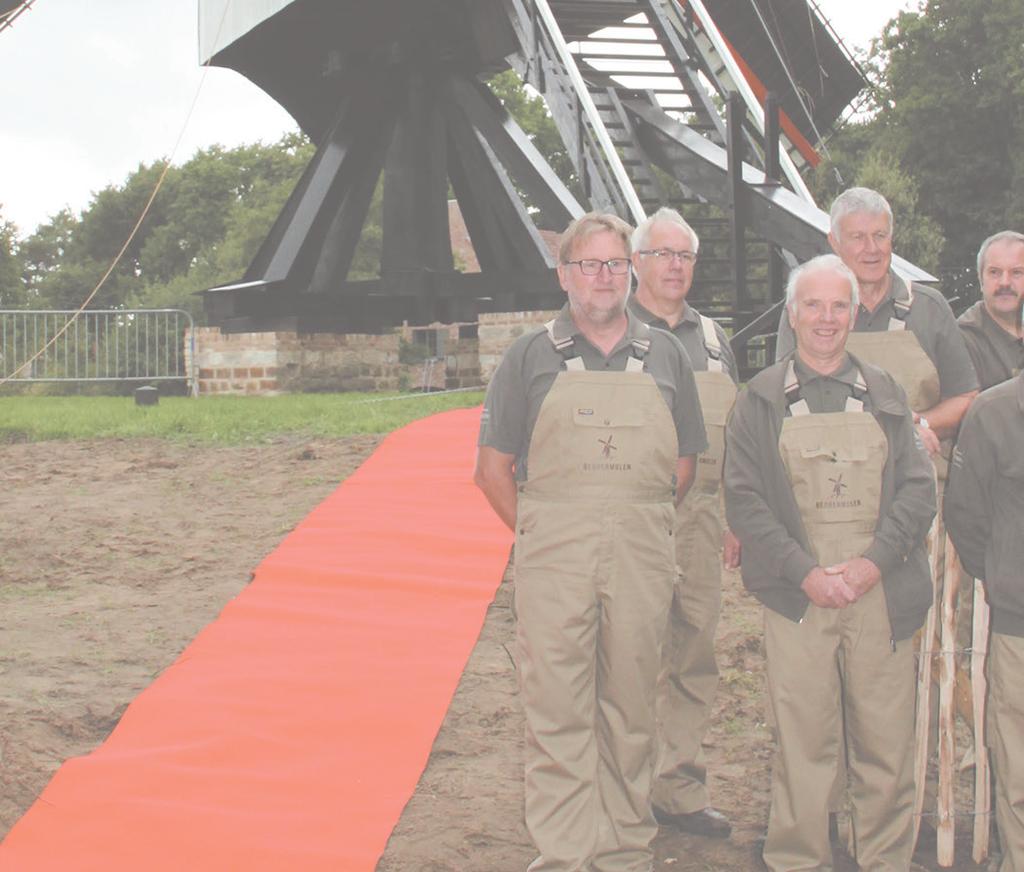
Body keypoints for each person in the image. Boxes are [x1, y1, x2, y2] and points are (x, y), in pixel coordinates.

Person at [474, 212, 707, 872]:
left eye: (613, 264)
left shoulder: (666, 355)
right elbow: (491, 471)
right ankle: (564, 857)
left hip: (639, 555)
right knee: (558, 715)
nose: (602, 278)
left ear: (630, 271)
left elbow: (684, 466)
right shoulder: (527, 357)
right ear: (564, 275)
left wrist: (631, 522)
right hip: (555, 560)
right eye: (587, 265)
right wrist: (548, 534)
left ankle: (624, 853)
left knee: (631, 711)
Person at [726, 254, 936, 871]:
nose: (825, 318)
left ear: (852, 314)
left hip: (882, 595)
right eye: (812, 305)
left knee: (885, 745)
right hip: (799, 600)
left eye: (838, 305)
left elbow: (918, 491)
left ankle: (885, 860)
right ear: (792, 315)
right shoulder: (760, 401)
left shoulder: (885, 393)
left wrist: (872, 564)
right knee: (803, 745)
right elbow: (745, 499)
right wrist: (806, 574)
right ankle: (798, 859)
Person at [627, 207, 738, 839]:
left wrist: (733, 517)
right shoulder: (612, 331)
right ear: (637, 262)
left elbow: (738, 435)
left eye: (685, 256)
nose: (675, 266)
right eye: (663, 254)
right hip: (634, 518)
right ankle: (623, 787)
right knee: (629, 653)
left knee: (694, 653)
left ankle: (679, 789)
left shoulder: (715, 339)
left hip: (700, 522)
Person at [775, 187, 978, 466]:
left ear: (891, 239)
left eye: (879, 236)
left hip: (918, 482)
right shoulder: (805, 312)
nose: (871, 248)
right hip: (828, 483)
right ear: (834, 242)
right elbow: (783, 400)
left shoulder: (930, 308)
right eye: (857, 237)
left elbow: (966, 397)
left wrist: (919, 427)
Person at [945, 303, 1024, 872]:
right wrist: (1004, 575)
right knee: (1018, 772)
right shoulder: (995, 414)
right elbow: (967, 517)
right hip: (1021, 629)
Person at [958, 230, 1024, 391]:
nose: (1004, 282)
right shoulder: (963, 340)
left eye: (1017, 273)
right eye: (994, 272)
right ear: (981, 280)